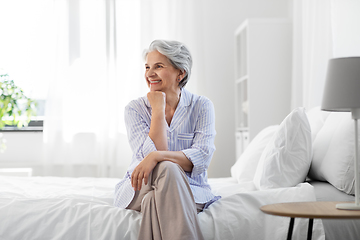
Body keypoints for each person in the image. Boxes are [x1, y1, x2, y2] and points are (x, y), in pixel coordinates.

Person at [114, 39, 219, 240]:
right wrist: (158, 109)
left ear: (181, 73)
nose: (149, 74)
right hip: (140, 186)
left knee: (154, 200)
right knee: (167, 168)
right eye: (147, 67)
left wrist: (156, 156)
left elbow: (202, 158)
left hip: (190, 189)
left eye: (158, 66)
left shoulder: (201, 106)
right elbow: (153, 160)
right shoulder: (134, 109)